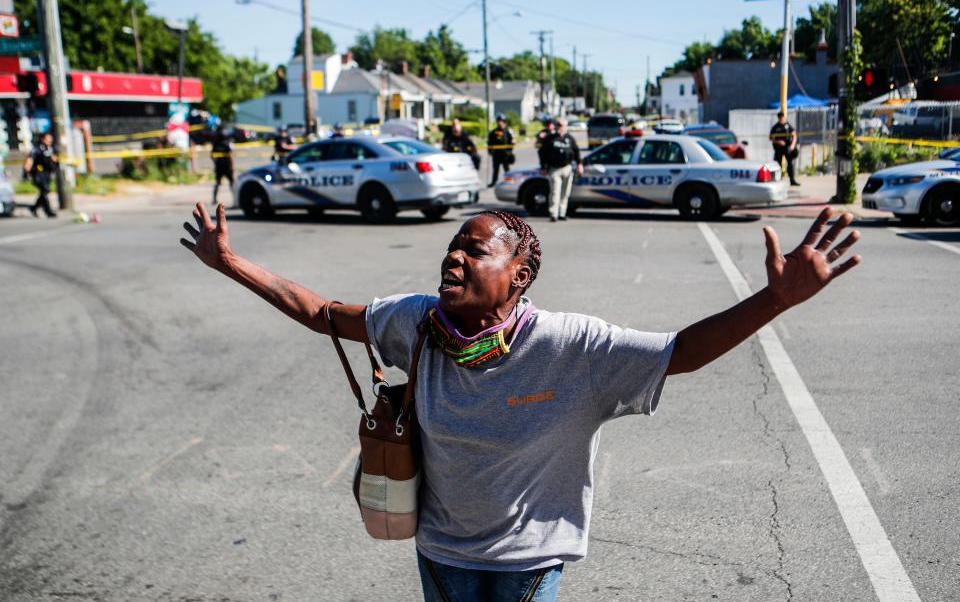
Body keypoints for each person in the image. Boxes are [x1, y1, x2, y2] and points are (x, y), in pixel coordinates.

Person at [180, 202, 860, 602]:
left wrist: (776, 298)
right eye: (451, 249)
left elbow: (677, 352)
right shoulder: (415, 321)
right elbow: (322, 312)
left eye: (473, 252)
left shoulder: (572, 348)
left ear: (519, 275)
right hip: (441, 553)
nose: (452, 261)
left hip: (527, 567)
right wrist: (231, 262)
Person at [539, 117, 582, 222]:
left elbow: (576, 152)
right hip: (554, 169)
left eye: (561, 125)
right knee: (555, 192)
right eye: (558, 125)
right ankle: (553, 214)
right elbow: (542, 153)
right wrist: (543, 166)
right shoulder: (550, 138)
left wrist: (580, 164)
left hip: (567, 168)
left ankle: (562, 213)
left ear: (565, 126)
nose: (559, 127)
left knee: (565, 192)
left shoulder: (570, 138)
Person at [22, 132, 58, 218]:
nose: (49, 140)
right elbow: (29, 161)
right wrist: (25, 174)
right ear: (42, 139)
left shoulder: (51, 149)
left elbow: (54, 160)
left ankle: (33, 208)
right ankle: (48, 211)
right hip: (38, 174)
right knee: (45, 191)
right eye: (47, 139)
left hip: (47, 175)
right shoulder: (37, 149)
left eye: (50, 139)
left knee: (44, 192)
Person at [770, 111, 799, 186]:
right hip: (779, 149)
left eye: (782, 117)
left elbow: (794, 135)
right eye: (780, 118)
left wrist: (792, 145)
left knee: (790, 164)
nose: (782, 119)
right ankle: (778, 179)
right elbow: (771, 138)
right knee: (777, 165)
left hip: (787, 148)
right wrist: (778, 141)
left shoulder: (788, 125)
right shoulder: (776, 127)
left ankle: (792, 180)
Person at [486, 114, 515, 187]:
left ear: (504, 122)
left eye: (501, 121)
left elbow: (512, 141)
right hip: (496, 153)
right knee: (495, 169)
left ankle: (509, 181)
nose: (500, 123)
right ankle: (493, 182)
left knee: (506, 168)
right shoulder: (493, 132)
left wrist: (510, 151)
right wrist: (490, 151)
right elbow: (490, 142)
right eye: (499, 121)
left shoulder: (508, 131)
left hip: (505, 153)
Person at [210, 126, 234, 206]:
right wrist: (216, 162)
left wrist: (231, 166)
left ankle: (235, 198)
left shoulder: (226, 142)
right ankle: (214, 199)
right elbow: (212, 155)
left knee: (232, 183)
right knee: (218, 183)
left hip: (226, 166)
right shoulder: (217, 143)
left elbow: (231, 155)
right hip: (220, 166)